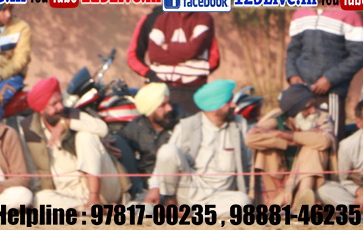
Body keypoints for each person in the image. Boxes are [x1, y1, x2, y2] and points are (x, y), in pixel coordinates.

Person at [286, 0, 363, 143]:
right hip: (302, 94)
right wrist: (292, 76)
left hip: (332, 94)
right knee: (301, 142)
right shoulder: (300, 13)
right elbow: (293, 51)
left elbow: (359, 55)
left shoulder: (348, 14)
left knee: (329, 143)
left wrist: (329, 79)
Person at [19, 77, 123, 211]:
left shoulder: (72, 114)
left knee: (86, 136)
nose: (60, 107)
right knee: (39, 198)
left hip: (103, 187)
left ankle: (94, 199)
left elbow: (102, 129)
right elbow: (33, 173)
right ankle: (90, 210)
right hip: (71, 193)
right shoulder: (28, 131)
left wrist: (67, 123)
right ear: (41, 109)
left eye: (60, 101)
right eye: (54, 104)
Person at [151, 79, 252, 217]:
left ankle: (188, 214)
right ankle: (171, 206)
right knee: (167, 151)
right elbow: (165, 160)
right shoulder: (186, 126)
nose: (234, 105)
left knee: (243, 202)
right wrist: (154, 187)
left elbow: (250, 163)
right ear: (215, 105)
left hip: (221, 196)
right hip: (188, 191)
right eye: (229, 101)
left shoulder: (240, 125)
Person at [143, 0, 222, 115]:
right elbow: (154, 54)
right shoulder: (162, 19)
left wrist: (168, 47)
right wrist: (185, 57)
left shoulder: (203, 18)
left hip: (193, 92)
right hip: (165, 91)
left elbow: (194, 49)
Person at [247, 83, 335, 209]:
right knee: (264, 150)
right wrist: (286, 142)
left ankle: (303, 198)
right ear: (295, 112)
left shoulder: (322, 117)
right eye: (307, 107)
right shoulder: (277, 119)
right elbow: (250, 138)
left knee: (312, 147)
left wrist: (286, 135)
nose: (313, 110)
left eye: (313, 104)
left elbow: (325, 141)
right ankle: (278, 202)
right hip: (281, 182)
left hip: (313, 184)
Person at [111, 82, 178, 201]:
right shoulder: (138, 126)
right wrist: (107, 143)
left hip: (172, 186)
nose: (169, 108)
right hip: (144, 184)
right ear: (150, 111)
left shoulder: (180, 122)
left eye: (169, 103)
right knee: (117, 142)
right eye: (163, 105)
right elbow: (121, 137)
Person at [318, 98, 363, 208]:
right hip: (360, 192)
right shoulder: (347, 146)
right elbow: (343, 180)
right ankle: (356, 210)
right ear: (359, 122)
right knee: (324, 190)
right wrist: (359, 191)